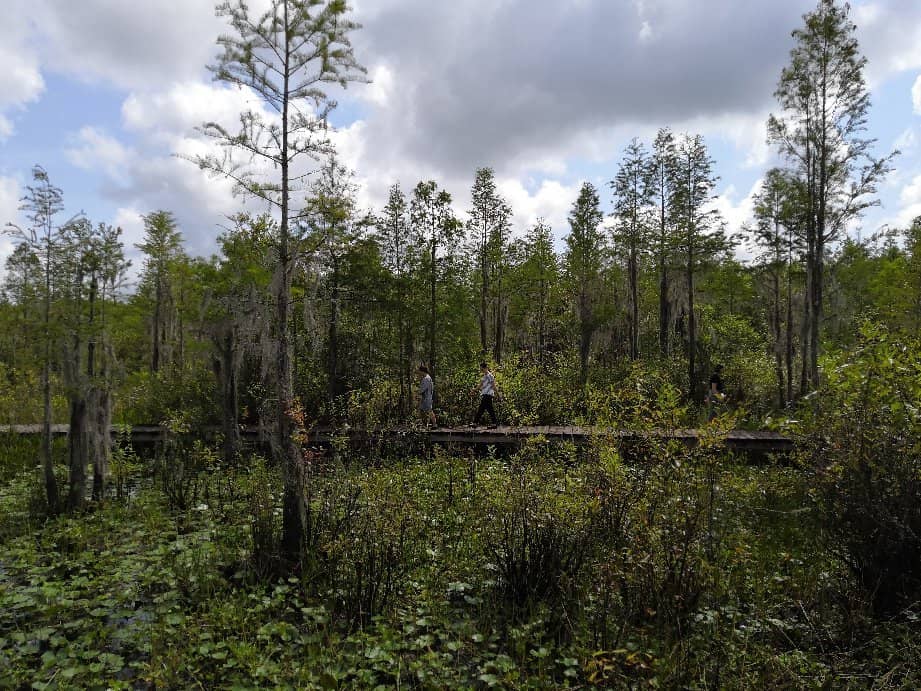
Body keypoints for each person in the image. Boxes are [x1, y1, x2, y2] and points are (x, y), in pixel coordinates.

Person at [470, 362, 499, 428]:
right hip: (485, 394)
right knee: (487, 409)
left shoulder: (489, 376)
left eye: (482, 369)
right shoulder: (484, 376)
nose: (481, 370)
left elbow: (493, 386)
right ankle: (494, 424)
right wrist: (474, 390)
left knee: (482, 408)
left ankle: (475, 423)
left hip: (488, 395)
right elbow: (480, 385)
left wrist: (498, 395)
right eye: (481, 369)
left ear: (486, 368)